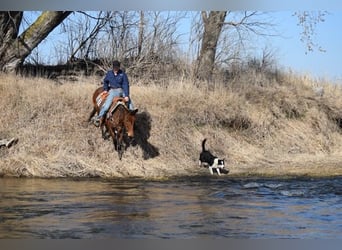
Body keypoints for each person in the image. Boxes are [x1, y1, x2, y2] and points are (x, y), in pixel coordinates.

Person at [93, 60, 135, 127]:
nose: (116, 69)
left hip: (122, 90)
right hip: (113, 90)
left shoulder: (123, 74)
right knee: (106, 106)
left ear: (119, 67)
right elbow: (105, 81)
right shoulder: (109, 73)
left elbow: (126, 84)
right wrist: (106, 89)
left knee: (131, 106)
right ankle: (99, 117)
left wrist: (126, 95)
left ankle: (132, 121)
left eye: (117, 67)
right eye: (115, 68)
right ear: (113, 67)